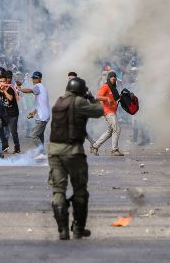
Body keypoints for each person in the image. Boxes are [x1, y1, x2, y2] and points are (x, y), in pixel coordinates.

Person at [48, 77, 104, 240]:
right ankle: (78, 229)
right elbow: (99, 110)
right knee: (80, 191)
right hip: (73, 151)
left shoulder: (59, 102)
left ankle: (62, 230)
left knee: (58, 191)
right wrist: (91, 97)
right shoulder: (79, 101)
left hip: (54, 151)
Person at [89, 71, 123, 156]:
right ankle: (114, 150)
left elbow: (116, 98)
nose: (114, 78)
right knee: (117, 129)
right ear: (109, 78)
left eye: (115, 77)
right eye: (112, 77)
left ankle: (95, 146)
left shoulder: (114, 88)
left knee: (110, 131)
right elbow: (98, 97)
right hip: (108, 112)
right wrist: (107, 98)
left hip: (112, 111)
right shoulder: (106, 86)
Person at [20, 71, 50, 159]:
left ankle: (42, 153)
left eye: (36, 78)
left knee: (33, 135)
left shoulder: (38, 86)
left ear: (40, 79)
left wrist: (20, 89)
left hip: (42, 116)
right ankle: (41, 153)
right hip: (44, 115)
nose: (34, 79)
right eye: (33, 78)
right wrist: (34, 112)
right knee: (40, 135)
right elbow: (42, 103)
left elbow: (29, 90)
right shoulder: (43, 88)